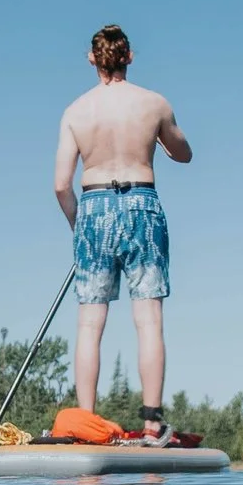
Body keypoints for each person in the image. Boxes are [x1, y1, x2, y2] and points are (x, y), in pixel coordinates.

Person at [54, 24, 193, 442]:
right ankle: (152, 423)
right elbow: (184, 153)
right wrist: (164, 143)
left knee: (89, 323)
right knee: (148, 319)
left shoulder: (76, 111)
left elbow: (61, 185)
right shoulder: (154, 104)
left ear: (92, 60)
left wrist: (81, 228)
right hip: (141, 205)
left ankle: (83, 424)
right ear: (129, 57)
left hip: (93, 206)